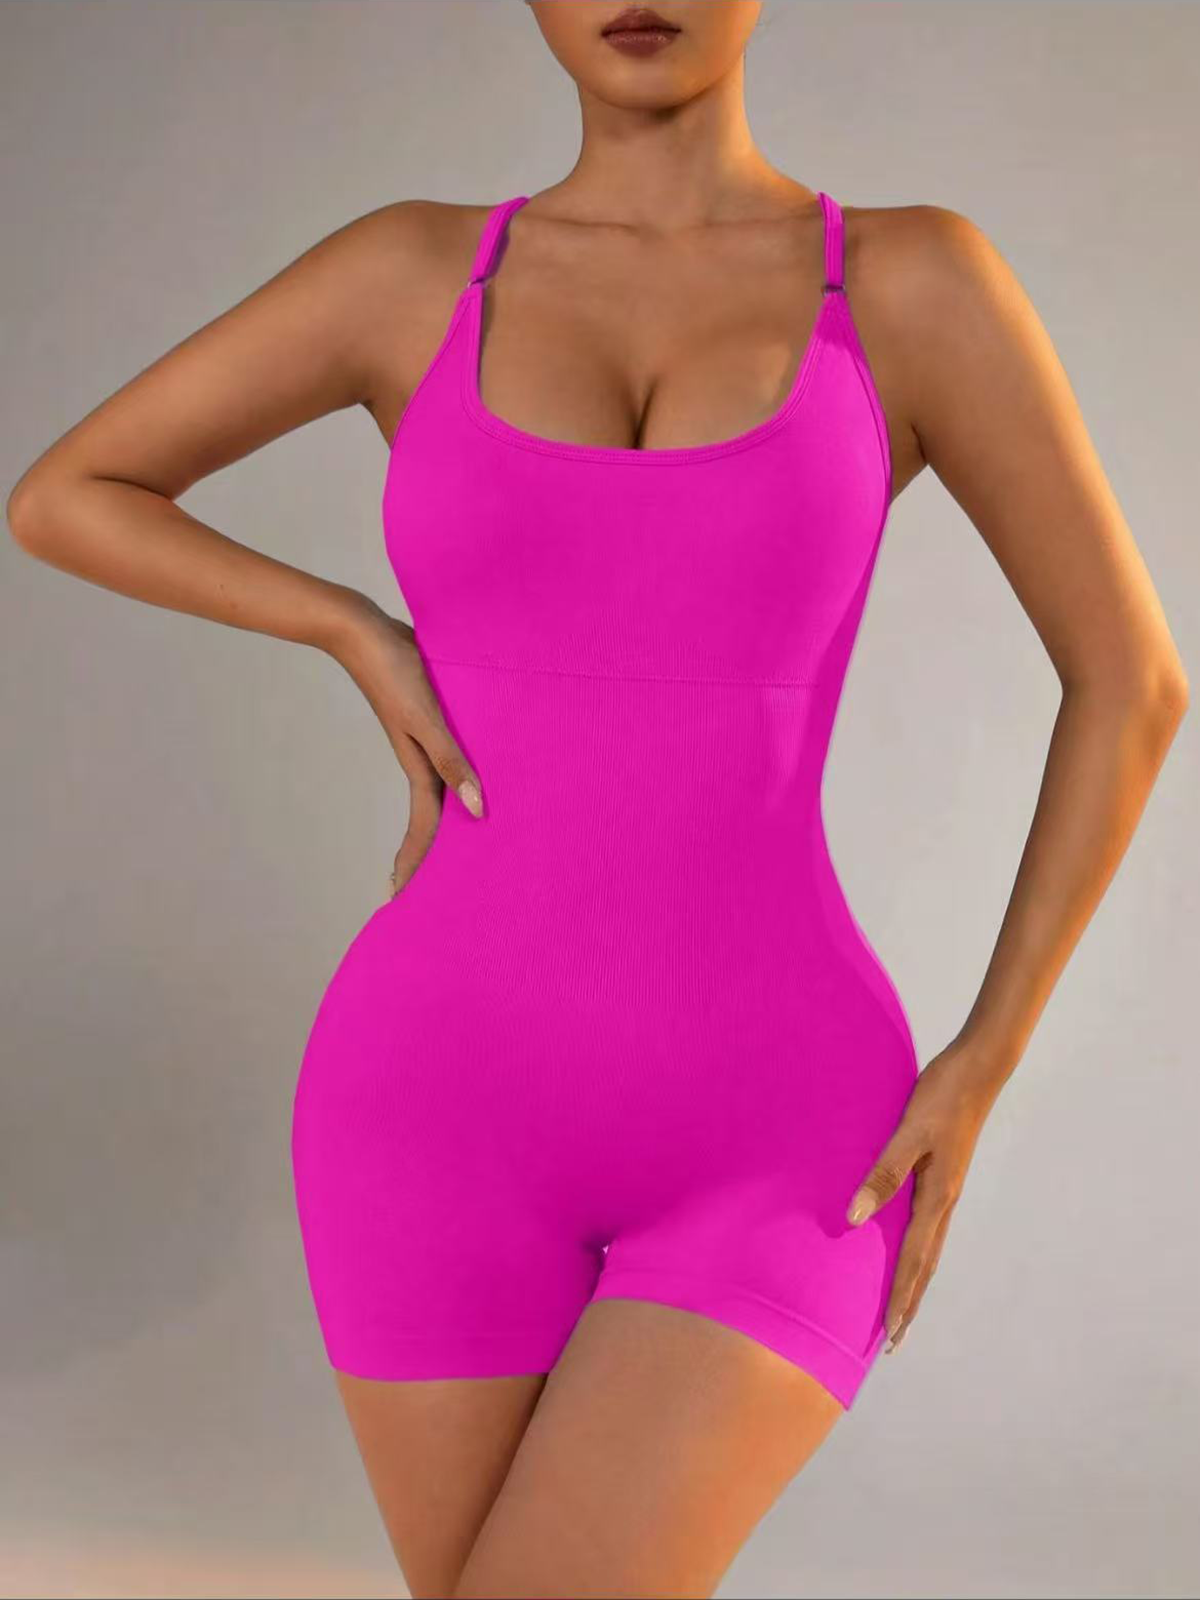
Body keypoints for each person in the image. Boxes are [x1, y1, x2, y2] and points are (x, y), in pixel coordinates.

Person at [6, 3, 1188, 1597]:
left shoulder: (912, 284)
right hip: (428, 1112)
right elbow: (66, 494)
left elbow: (1131, 680)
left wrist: (989, 1054)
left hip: (780, 1131)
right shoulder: (411, 274)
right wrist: (350, 627)